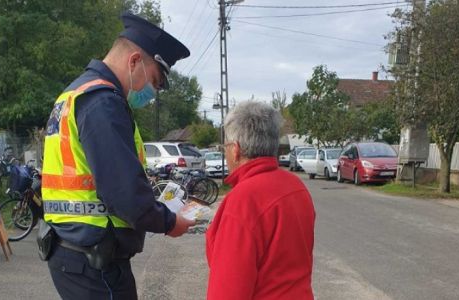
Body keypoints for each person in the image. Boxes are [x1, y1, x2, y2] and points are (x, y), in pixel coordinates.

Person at [41, 12, 195, 299]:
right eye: (154, 81)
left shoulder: (74, 94)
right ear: (134, 61)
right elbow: (125, 195)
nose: (152, 94)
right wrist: (170, 222)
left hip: (71, 251)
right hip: (95, 263)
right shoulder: (103, 103)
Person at [206, 101, 316, 300]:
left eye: (225, 146)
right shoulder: (296, 187)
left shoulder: (243, 200)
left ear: (236, 149)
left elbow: (228, 290)